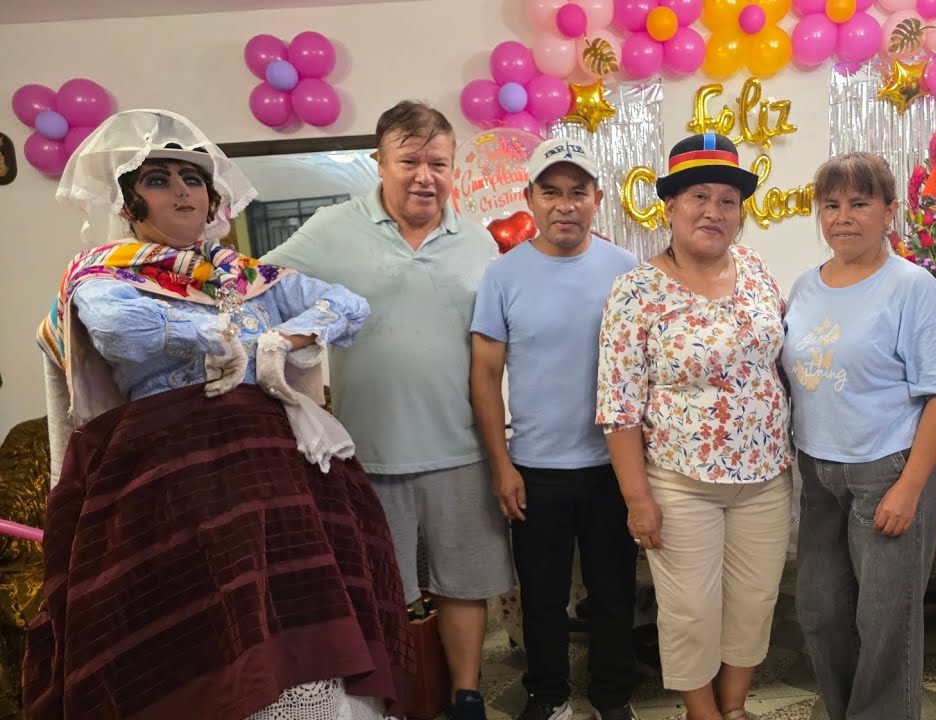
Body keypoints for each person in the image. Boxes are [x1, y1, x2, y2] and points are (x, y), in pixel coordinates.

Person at [26, 109, 410, 720]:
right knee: (207, 625)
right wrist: (220, 333)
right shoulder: (102, 276)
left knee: (309, 611)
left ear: (212, 200)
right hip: (176, 483)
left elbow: (348, 305)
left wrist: (292, 336)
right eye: (159, 179)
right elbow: (122, 332)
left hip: (285, 478)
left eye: (193, 178)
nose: (182, 190)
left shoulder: (246, 275)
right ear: (131, 203)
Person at [261, 100, 515, 720]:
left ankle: (466, 695)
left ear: (453, 168)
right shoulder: (331, 228)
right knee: (380, 592)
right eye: (409, 161)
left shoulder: (478, 241)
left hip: (463, 447)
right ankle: (393, 701)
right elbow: (262, 285)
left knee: (464, 585)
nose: (425, 175)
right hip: (367, 451)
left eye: (439, 162)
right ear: (380, 162)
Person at [596, 133, 792, 720]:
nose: (713, 211)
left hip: (764, 479)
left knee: (754, 602)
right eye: (697, 196)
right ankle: (702, 714)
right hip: (681, 484)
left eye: (727, 200)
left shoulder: (755, 269)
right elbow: (619, 405)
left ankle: (733, 707)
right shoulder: (636, 292)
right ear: (671, 207)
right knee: (690, 612)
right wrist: (638, 499)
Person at [784, 153, 936, 720]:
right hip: (817, 472)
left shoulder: (912, 287)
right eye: (831, 205)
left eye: (859, 203)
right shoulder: (805, 286)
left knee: (885, 621)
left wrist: (910, 487)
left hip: (888, 468)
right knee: (820, 611)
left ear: (889, 211)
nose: (843, 217)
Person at [470, 139, 640, 720]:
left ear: (596, 199)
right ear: (530, 199)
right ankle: (548, 696)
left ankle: (613, 696)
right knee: (542, 597)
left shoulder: (626, 271)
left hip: (612, 468)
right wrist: (501, 464)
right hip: (535, 469)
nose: (564, 205)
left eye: (577, 193)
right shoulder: (502, 275)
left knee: (614, 593)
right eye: (551, 192)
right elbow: (485, 374)